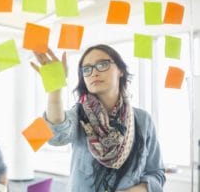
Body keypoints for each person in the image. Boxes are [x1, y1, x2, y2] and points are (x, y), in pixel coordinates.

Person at [31, 45, 165, 192]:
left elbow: (156, 173)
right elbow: (57, 136)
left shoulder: (142, 120)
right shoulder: (79, 115)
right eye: (87, 69)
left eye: (102, 64)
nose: (94, 72)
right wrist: (55, 91)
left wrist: (136, 190)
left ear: (120, 70)